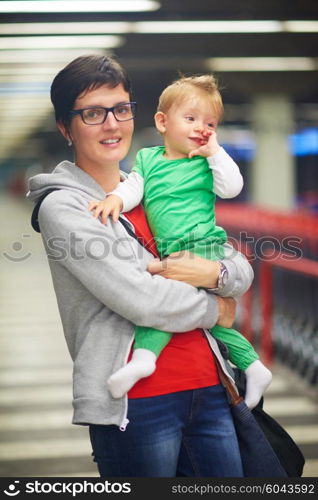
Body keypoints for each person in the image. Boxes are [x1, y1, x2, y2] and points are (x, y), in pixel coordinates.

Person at [27, 54, 252, 477]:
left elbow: (233, 260)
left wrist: (219, 276)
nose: (112, 124)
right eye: (93, 113)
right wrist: (217, 307)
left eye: (121, 109)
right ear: (65, 128)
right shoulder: (65, 207)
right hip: (138, 404)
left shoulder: (153, 183)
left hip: (210, 384)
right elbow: (141, 299)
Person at [89, 74, 272, 408]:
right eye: (190, 119)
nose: (200, 128)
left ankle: (144, 358)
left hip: (203, 246)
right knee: (200, 317)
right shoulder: (146, 159)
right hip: (175, 251)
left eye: (210, 123)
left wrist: (215, 151)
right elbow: (133, 188)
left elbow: (232, 187)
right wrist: (115, 199)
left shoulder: (205, 162)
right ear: (162, 121)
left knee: (168, 302)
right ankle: (254, 366)